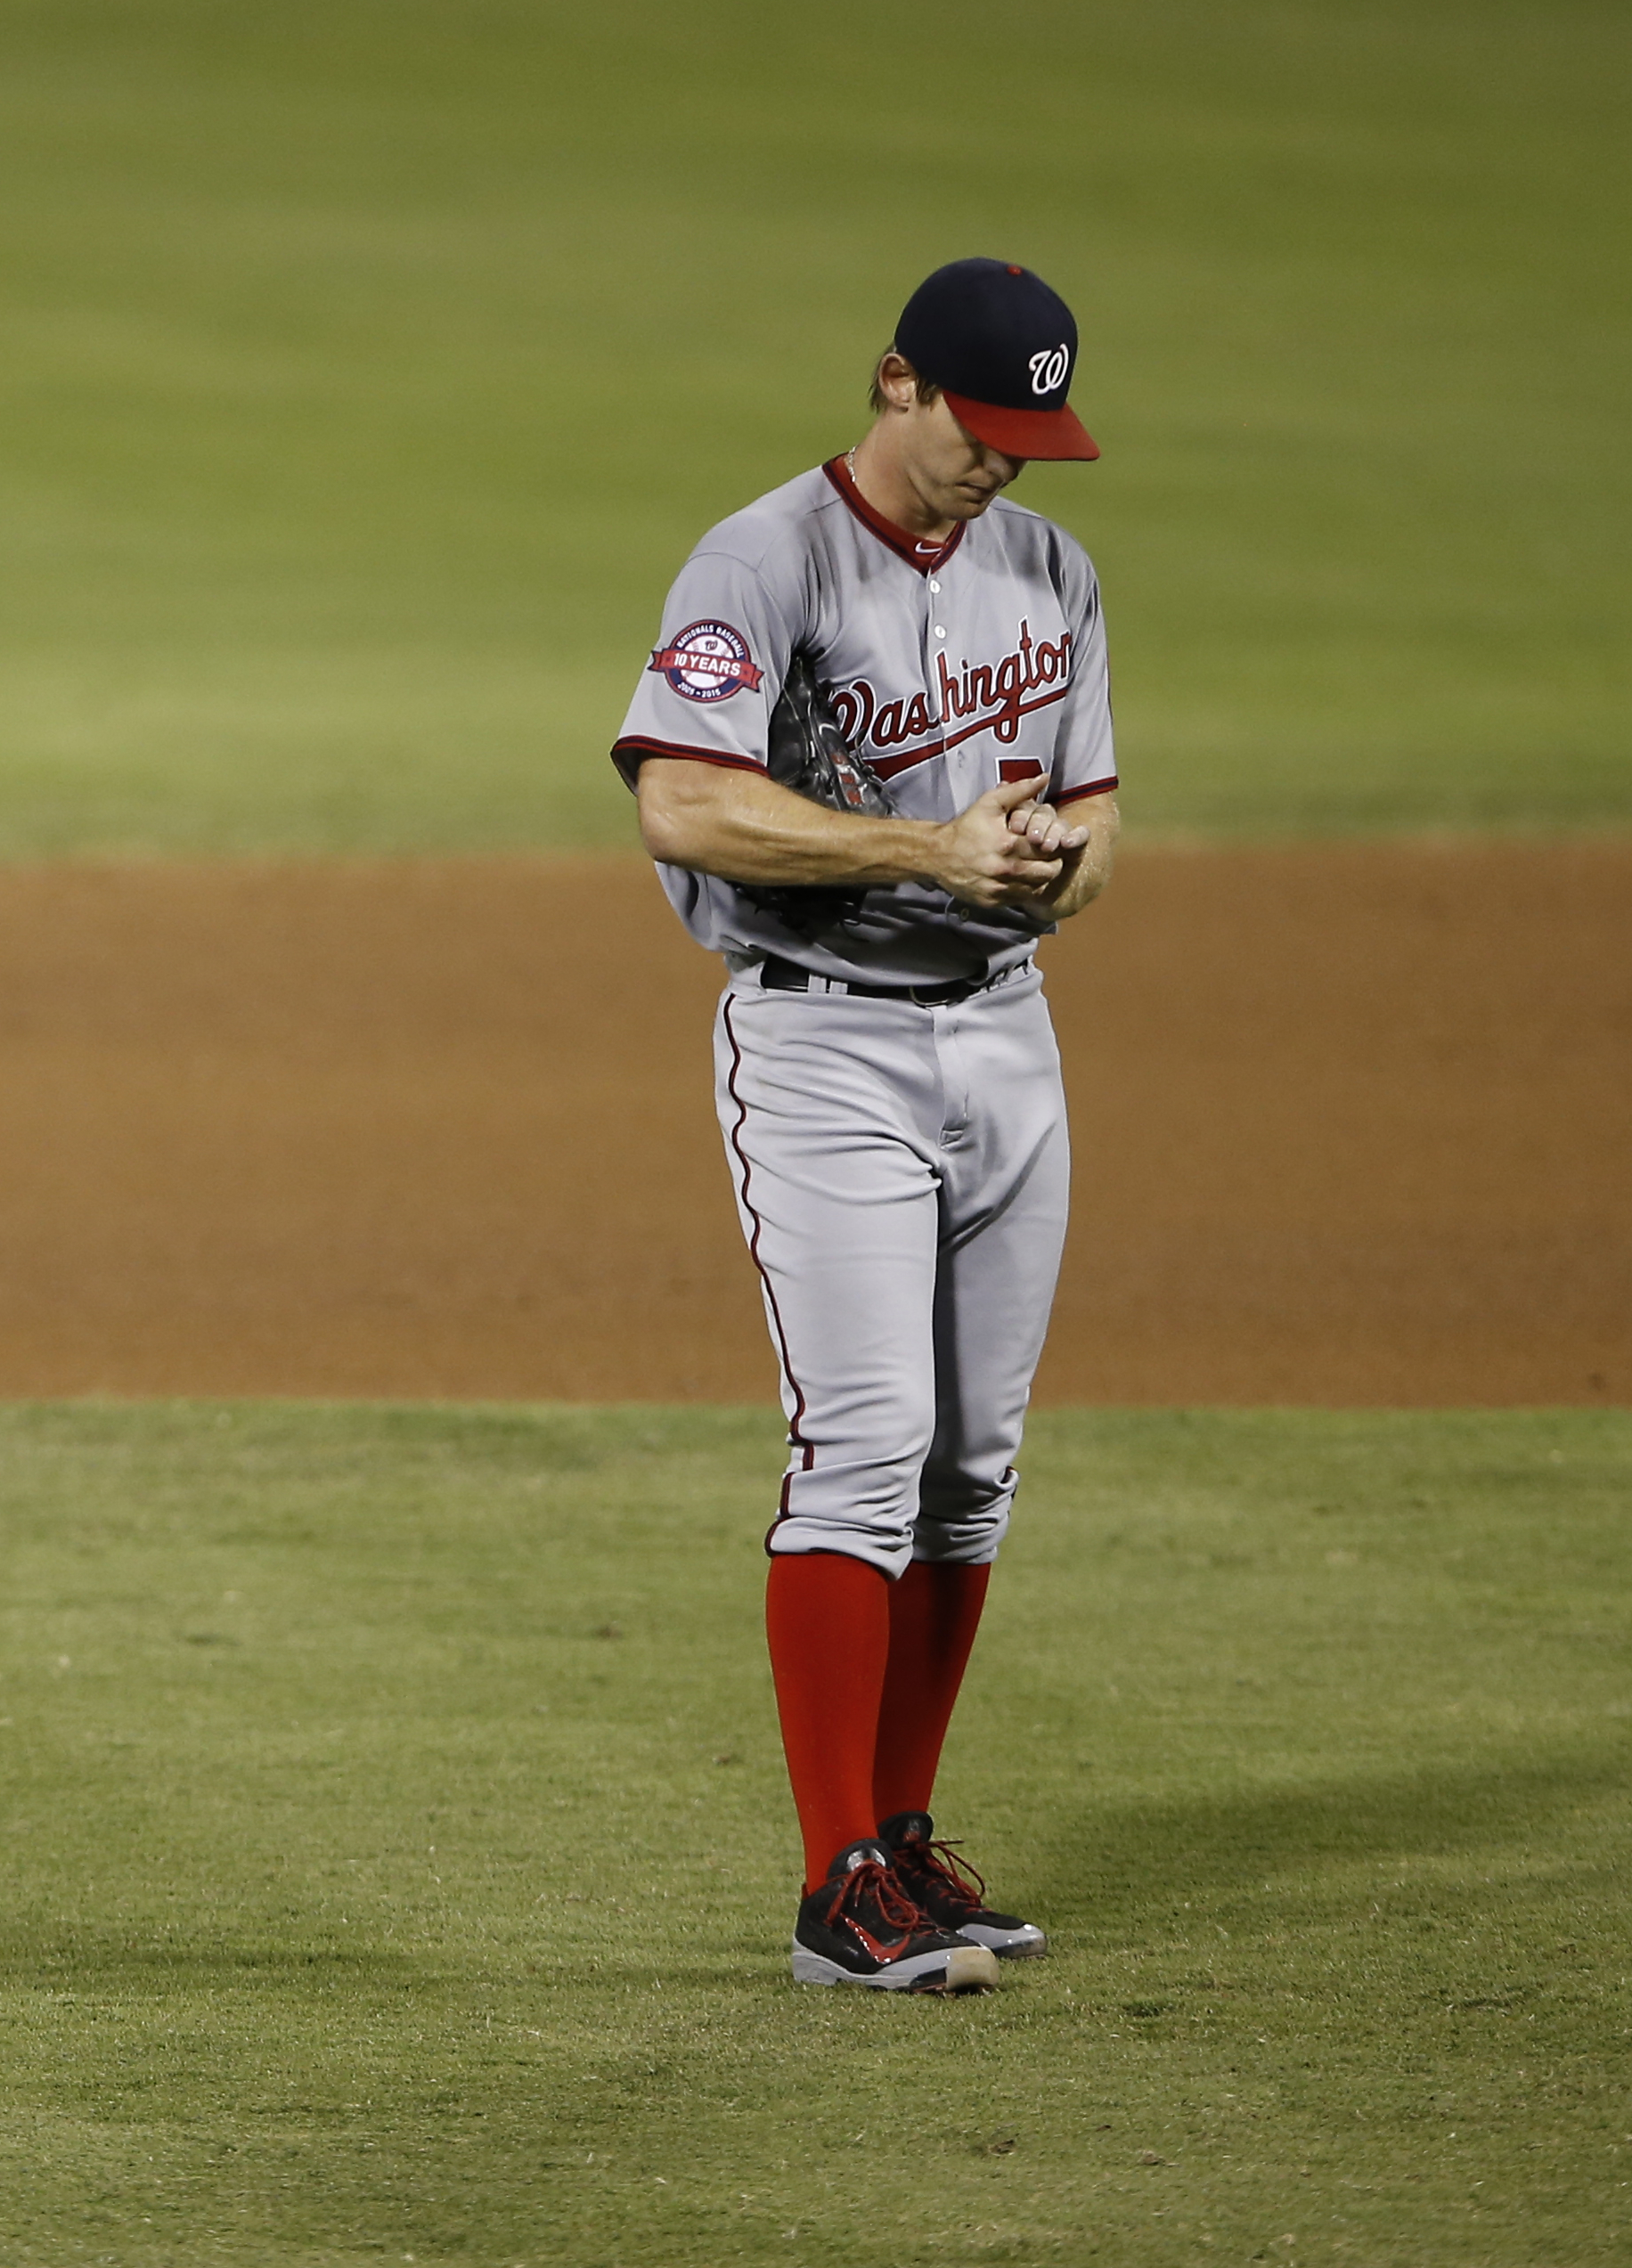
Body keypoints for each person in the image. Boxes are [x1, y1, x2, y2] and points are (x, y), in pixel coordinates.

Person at [608, 257, 1120, 1993]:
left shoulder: (1050, 571)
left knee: (971, 1468)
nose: (1001, 464)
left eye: (1029, 439)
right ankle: (835, 1885)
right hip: (824, 1046)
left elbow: (1099, 819)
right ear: (896, 382)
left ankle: (899, 1841)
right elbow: (683, 803)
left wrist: (1049, 867)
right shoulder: (760, 562)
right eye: (977, 429)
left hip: (1009, 1038)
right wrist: (922, 850)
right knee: (869, 1442)